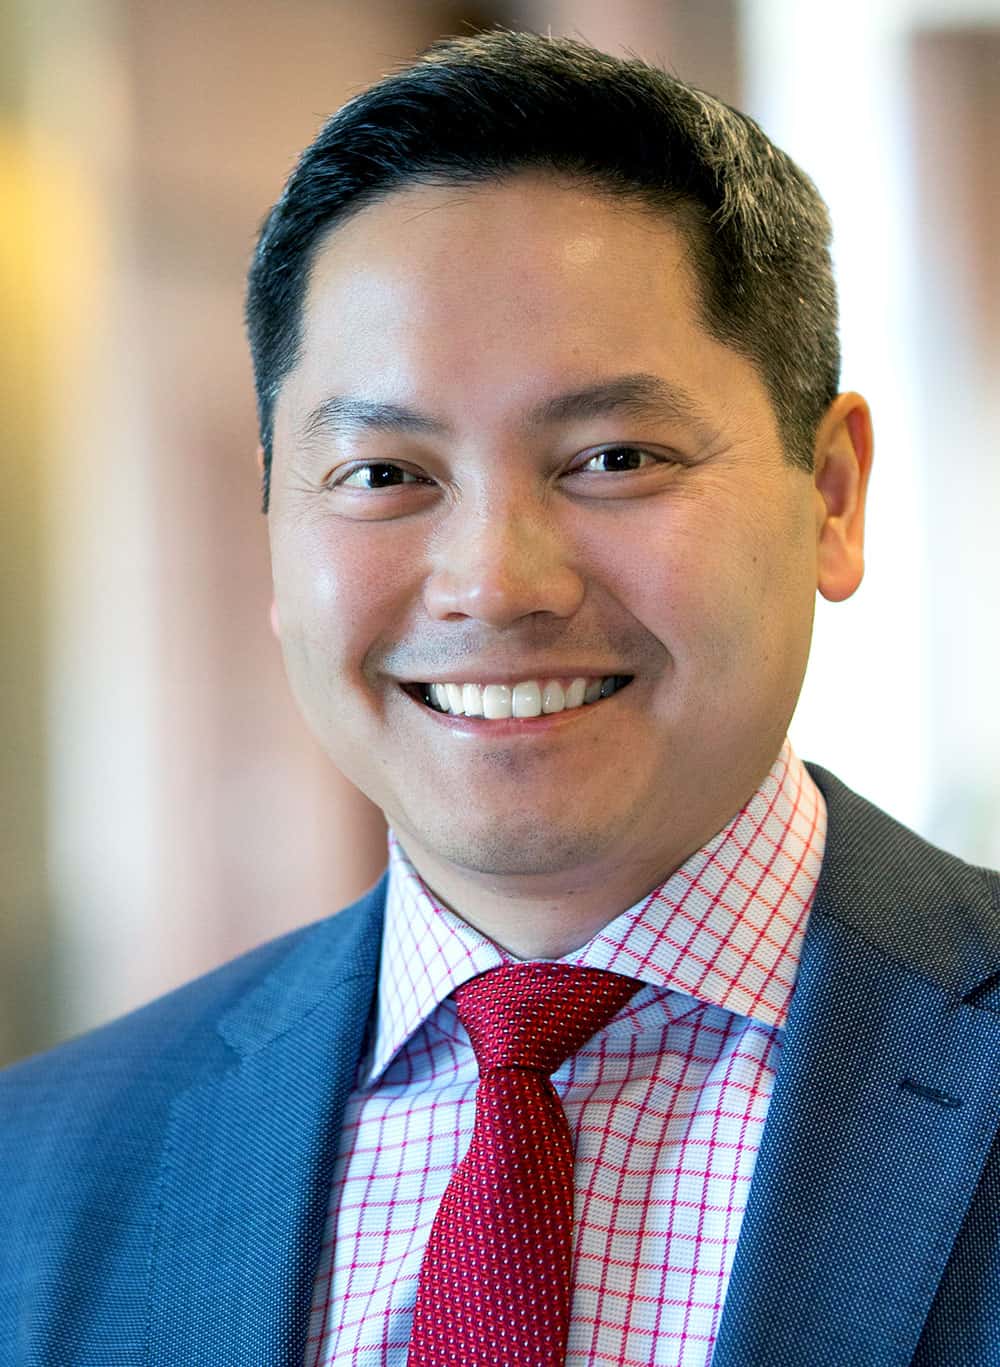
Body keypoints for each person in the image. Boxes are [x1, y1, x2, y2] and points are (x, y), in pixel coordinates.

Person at [2, 28, 997, 1367]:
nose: (493, 583)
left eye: (613, 457)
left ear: (830, 495)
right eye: (384, 475)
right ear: (275, 526)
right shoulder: (44, 1173)